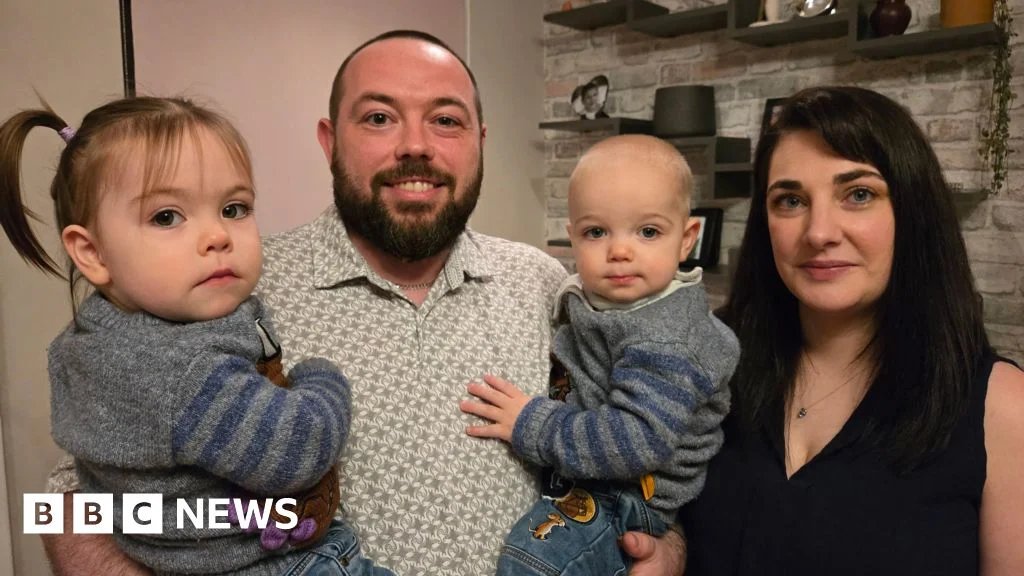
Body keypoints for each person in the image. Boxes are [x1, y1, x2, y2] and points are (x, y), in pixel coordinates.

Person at [41, 31, 686, 575]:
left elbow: (641, 436)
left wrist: (667, 550)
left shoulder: (545, 284)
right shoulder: (230, 289)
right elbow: (67, 497)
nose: (416, 146)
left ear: (479, 141)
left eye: (446, 120)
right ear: (330, 141)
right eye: (379, 117)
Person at [0, 96, 397, 575]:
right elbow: (297, 447)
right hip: (281, 563)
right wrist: (322, 377)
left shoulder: (89, 337)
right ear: (92, 253)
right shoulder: (181, 371)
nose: (217, 236)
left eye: (234, 208)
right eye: (166, 216)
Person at [679, 86, 1024, 575]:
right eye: (790, 200)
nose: (819, 232)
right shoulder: (706, 355)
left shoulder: (1002, 408)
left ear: (913, 211)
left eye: (858, 195)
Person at [459, 134, 738, 575]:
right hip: (589, 473)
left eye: (648, 232)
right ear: (573, 238)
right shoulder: (594, 296)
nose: (620, 251)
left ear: (687, 240)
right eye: (596, 232)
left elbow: (634, 442)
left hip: (630, 496)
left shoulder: (668, 341)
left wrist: (532, 423)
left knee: (532, 561)